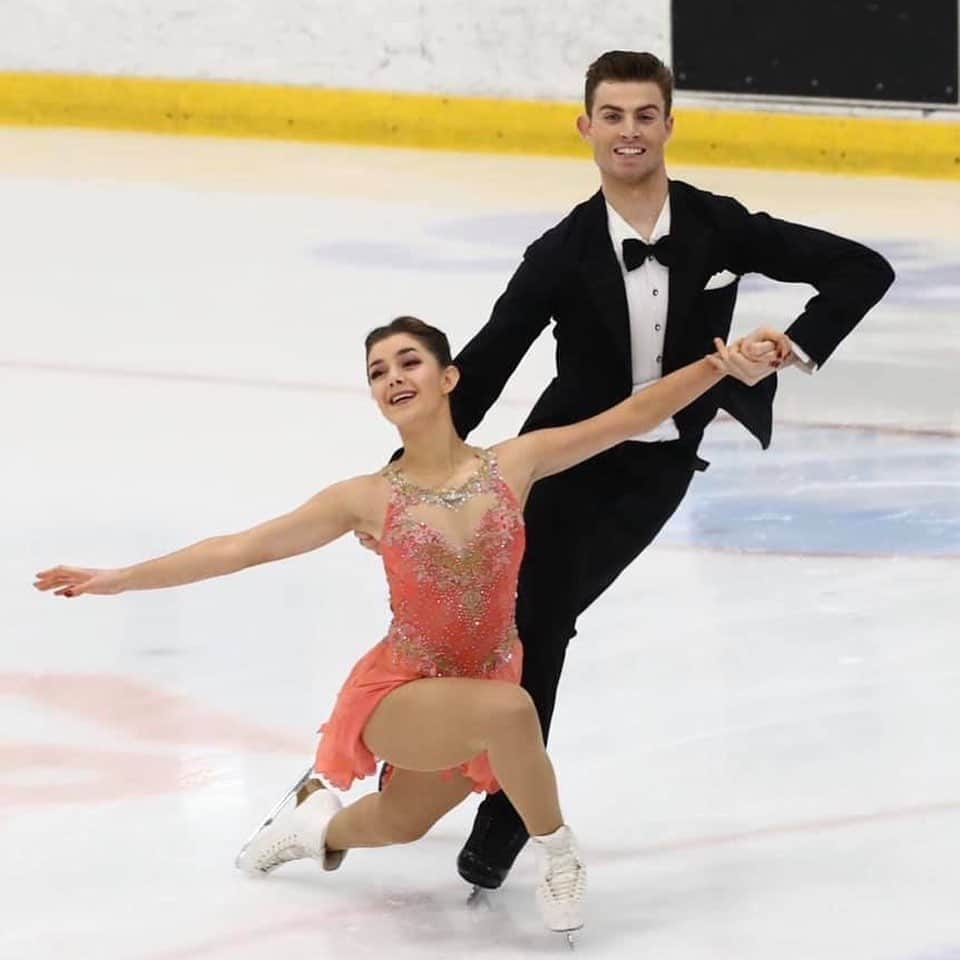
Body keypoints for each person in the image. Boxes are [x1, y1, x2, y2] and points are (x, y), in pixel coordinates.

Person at [33, 315, 788, 938]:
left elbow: (631, 416)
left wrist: (720, 366)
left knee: (397, 823)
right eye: (377, 371)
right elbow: (241, 548)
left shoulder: (514, 464)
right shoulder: (364, 498)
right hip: (402, 687)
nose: (392, 378)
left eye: (408, 362)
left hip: (480, 675)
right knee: (515, 711)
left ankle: (310, 830)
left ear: (449, 377)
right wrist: (120, 577)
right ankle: (561, 854)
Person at [358, 51, 895, 891]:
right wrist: (404, 478)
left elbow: (864, 267)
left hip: (655, 469)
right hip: (561, 459)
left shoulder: (719, 226)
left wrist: (797, 344)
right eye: (613, 116)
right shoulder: (561, 252)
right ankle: (419, 770)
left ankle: (498, 809)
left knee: (544, 614)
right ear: (587, 128)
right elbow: (492, 361)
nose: (630, 132)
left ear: (669, 126)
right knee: (487, 618)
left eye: (646, 115)